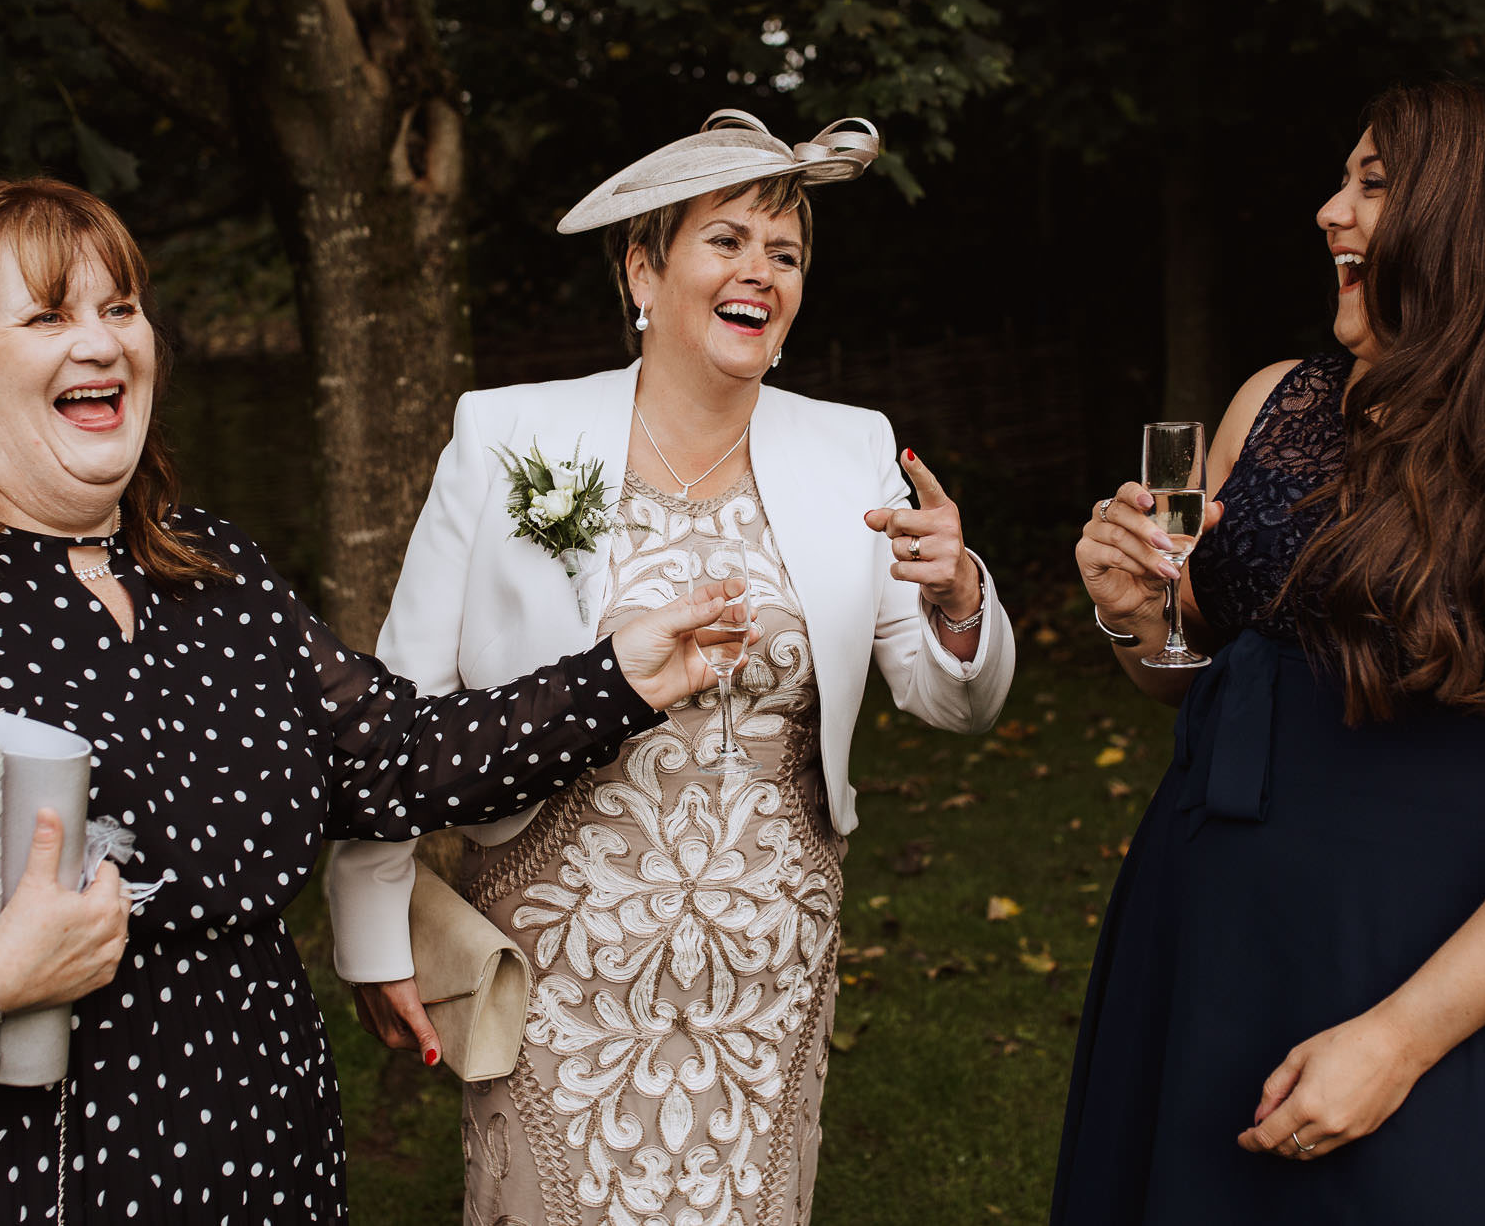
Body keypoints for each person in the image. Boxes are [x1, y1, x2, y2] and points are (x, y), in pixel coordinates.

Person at [0, 178, 742, 1223]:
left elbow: (392, 758)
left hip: (244, 1150)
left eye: (120, 307)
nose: (100, 342)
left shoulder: (212, 573)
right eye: (49, 314)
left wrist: (617, 679)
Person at [323, 109, 1017, 1224]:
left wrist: (955, 595)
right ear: (641, 269)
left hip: (767, 965)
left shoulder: (850, 447)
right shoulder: (507, 439)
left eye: (784, 253)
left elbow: (950, 701)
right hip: (557, 969)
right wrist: (370, 931)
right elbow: (401, 713)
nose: (760, 273)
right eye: (727, 241)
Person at [1057, 82, 1485, 1223]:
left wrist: (1400, 1037)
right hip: (1203, 929)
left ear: (1479, 219)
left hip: (1433, 955)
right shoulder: (1274, 401)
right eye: (1340, 179)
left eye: (1372, 184)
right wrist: (1137, 614)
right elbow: (1194, 685)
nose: (1328, 211)